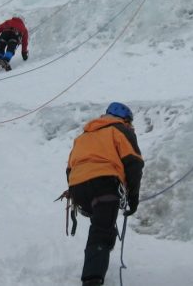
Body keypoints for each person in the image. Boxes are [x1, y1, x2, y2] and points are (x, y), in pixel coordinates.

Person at [66, 102, 144, 286]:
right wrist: (133, 198)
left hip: (78, 186)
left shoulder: (83, 136)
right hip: (104, 183)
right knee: (102, 229)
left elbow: (70, 168)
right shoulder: (120, 130)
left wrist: (77, 192)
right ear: (125, 119)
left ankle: (99, 259)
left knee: (103, 225)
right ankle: (92, 279)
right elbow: (133, 162)